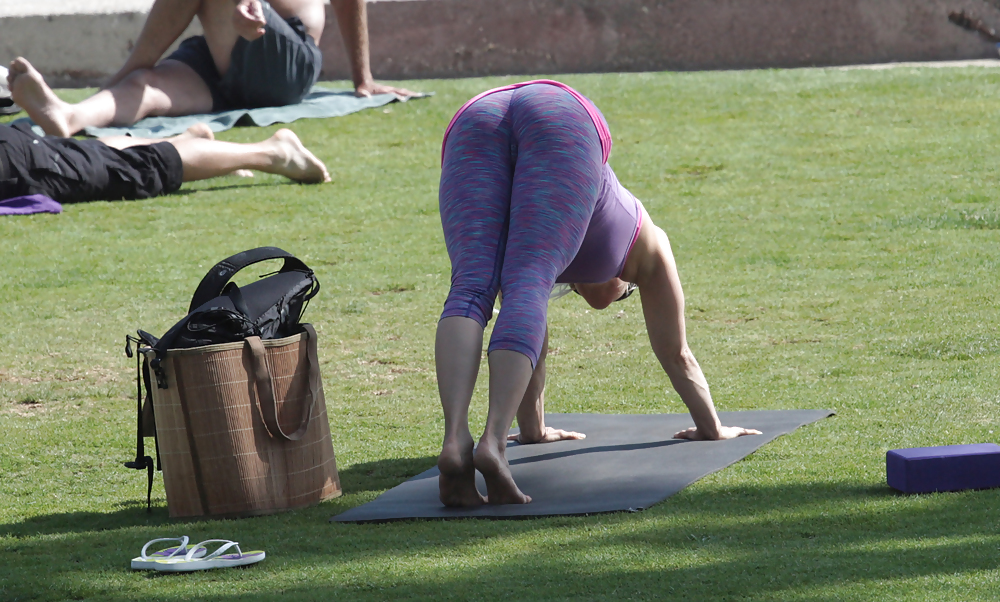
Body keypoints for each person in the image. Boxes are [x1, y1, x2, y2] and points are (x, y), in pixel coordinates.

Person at [434, 80, 762, 507]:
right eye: (627, 296)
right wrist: (712, 427)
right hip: (560, 113)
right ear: (627, 283)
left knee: (474, 287)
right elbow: (677, 352)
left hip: (477, 118)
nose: (609, 302)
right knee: (519, 284)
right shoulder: (647, 245)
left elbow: (533, 341)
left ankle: (456, 441)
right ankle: (491, 444)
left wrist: (533, 432)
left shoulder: (534, 250)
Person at [8, 0, 414, 138]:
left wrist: (363, 79)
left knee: (141, 75)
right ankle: (70, 116)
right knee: (146, 86)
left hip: (285, 60)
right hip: (220, 57)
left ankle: (116, 77)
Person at [0, 121, 329, 204]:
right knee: (90, 155)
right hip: (15, 150)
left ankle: (273, 153)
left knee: (133, 170)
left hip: (15, 159)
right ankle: (184, 143)